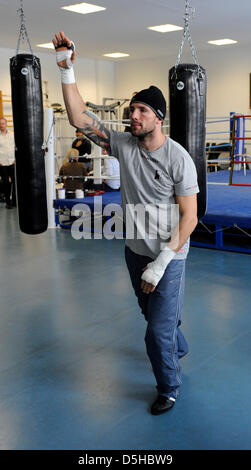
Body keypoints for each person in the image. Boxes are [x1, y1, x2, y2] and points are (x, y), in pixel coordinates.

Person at [53, 32, 199, 415]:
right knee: (153, 317)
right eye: (131, 109)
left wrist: (162, 262)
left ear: (158, 117)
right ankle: (175, 341)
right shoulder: (123, 144)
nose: (132, 115)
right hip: (134, 252)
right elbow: (79, 118)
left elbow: (191, 216)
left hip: (169, 258)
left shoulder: (177, 158)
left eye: (141, 111)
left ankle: (169, 386)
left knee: (155, 334)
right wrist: (68, 70)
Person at [0, 117, 16, 209]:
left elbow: (15, 147)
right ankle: (8, 202)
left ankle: (14, 201)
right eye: (0, 124)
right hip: (2, 163)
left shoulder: (12, 135)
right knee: (6, 183)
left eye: (3, 123)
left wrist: (15, 159)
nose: (1, 125)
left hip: (12, 162)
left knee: (14, 182)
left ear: (6, 124)